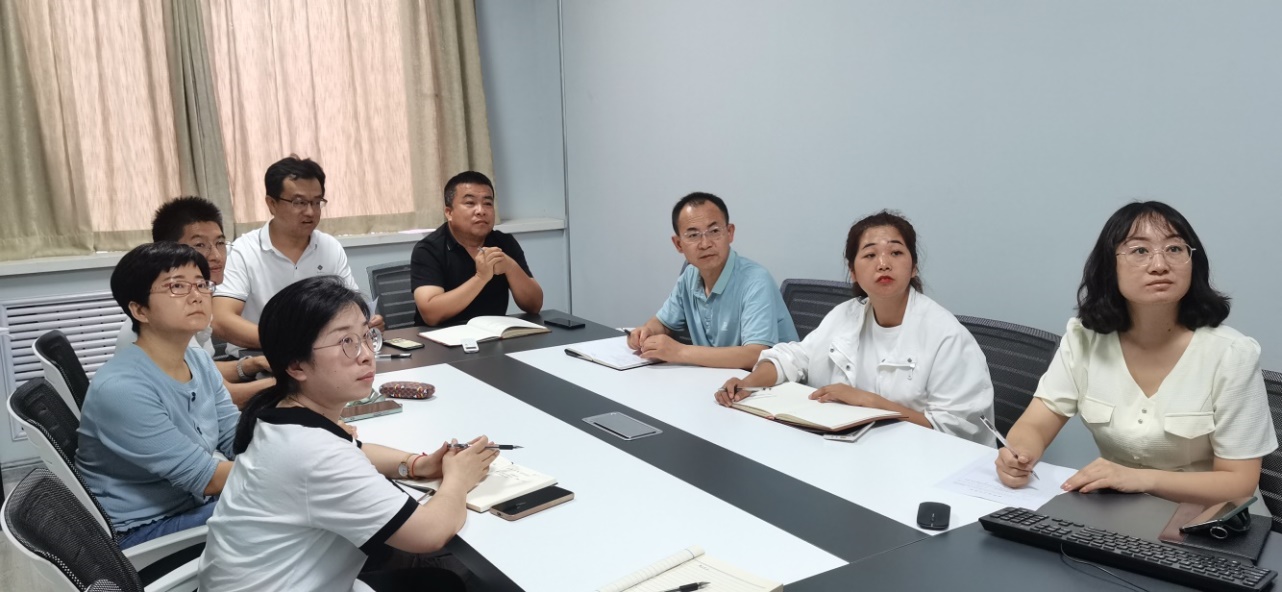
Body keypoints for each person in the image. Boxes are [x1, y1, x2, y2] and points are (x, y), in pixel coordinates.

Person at [199, 276, 496, 592]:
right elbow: (429, 533)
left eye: (366, 336)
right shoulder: (313, 453)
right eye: (346, 342)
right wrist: (459, 478)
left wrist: (415, 464)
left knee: (438, 582)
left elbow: (356, 449)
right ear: (296, 365)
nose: (367, 354)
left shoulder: (283, 414)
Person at [995, 201, 1276, 505]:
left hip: (1212, 520)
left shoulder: (1231, 355)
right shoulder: (1084, 339)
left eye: (1174, 249)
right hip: (1122, 512)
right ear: (1109, 266)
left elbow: (1239, 483)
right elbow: (1035, 423)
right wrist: (1019, 454)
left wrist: (1142, 479)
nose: (1160, 265)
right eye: (1140, 251)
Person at [716, 210, 994, 445]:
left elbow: (957, 433)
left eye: (896, 252)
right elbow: (794, 357)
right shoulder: (845, 315)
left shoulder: (946, 336)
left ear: (913, 268)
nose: (883, 264)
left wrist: (870, 402)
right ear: (853, 272)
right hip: (853, 452)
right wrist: (749, 383)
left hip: (923, 462)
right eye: (870, 255)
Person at [77, 242, 239, 548]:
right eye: (176, 286)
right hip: (143, 532)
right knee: (284, 507)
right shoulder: (123, 389)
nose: (196, 295)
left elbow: (234, 434)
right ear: (139, 310)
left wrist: (292, 445)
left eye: (201, 284)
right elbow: (206, 478)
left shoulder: (198, 360)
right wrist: (290, 467)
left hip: (189, 503)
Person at [114, 196, 274, 406]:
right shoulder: (167, 319)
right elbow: (220, 398)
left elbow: (202, 370)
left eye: (220, 243)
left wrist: (253, 364)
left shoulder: (195, 301)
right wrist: (289, 382)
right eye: (200, 245)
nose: (216, 256)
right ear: (169, 250)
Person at [213, 156, 382, 355]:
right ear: (272, 204)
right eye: (299, 202)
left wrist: (367, 323)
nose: (310, 212)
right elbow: (221, 320)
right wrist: (289, 343)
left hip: (322, 356)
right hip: (260, 355)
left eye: (317, 202)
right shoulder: (243, 251)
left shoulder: (330, 247)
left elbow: (352, 308)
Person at [627, 192, 798, 369]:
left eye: (714, 231)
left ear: (730, 233)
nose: (705, 244)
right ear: (678, 244)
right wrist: (647, 331)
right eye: (693, 235)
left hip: (771, 382)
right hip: (718, 379)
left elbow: (756, 354)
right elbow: (663, 323)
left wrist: (679, 351)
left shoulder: (756, 281)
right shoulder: (689, 276)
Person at [410, 171, 543, 326]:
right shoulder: (428, 250)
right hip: (440, 336)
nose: (481, 211)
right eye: (470, 203)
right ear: (449, 212)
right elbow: (431, 315)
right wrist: (480, 278)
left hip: (492, 334)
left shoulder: (504, 243)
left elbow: (534, 305)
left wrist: (510, 266)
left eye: (487, 203)